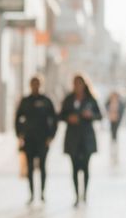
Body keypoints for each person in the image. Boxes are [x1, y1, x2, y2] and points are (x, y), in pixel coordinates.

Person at [59, 74, 102, 206]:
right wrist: (69, 118)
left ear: (84, 84)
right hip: (72, 138)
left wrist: (90, 115)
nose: (77, 86)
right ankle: (77, 196)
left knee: (86, 167)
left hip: (87, 138)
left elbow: (100, 115)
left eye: (80, 83)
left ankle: (85, 194)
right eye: (75, 83)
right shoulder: (68, 99)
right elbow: (60, 115)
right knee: (75, 167)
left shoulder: (90, 99)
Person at [14, 75, 57, 203]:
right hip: (29, 139)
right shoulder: (25, 101)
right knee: (30, 167)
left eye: (37, 83)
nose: (35, 86)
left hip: (43, 139)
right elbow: (17, 118)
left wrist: (51, 136)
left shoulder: (46, 100)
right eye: (33, 83)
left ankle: (42, 193)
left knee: (43, 166)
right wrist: (19, 135)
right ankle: (32, 194)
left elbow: (54, 119)